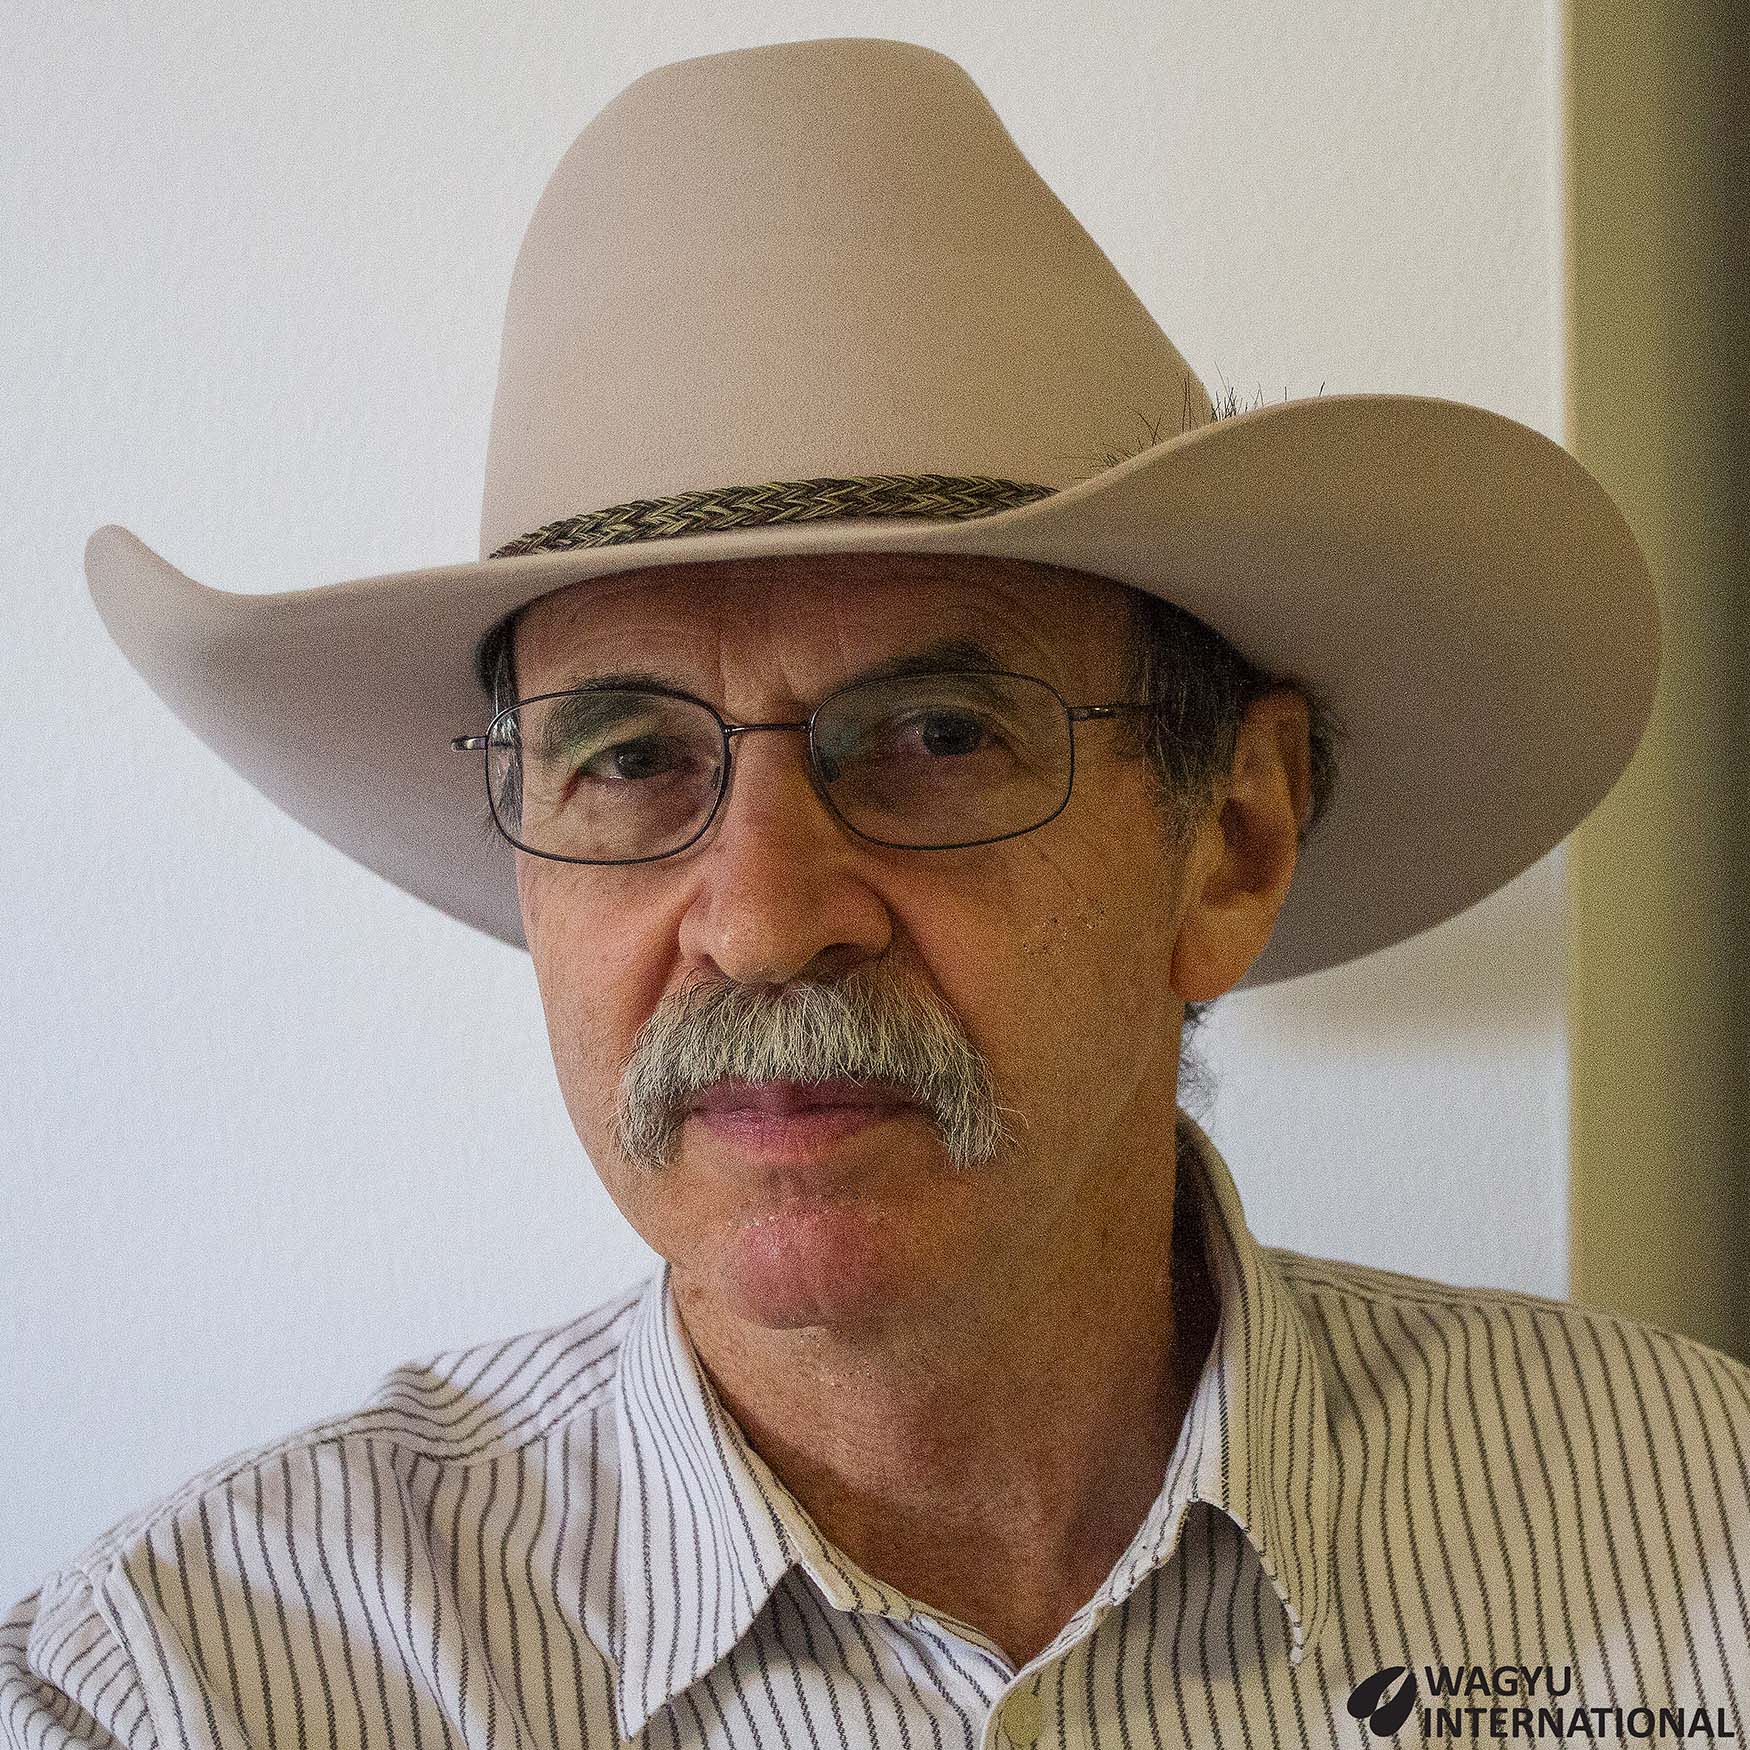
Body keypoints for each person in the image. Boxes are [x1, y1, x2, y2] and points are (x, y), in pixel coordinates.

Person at [5, 36, 1744, 1750]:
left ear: (1229, 843)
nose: (761, 917)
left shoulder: (1705, 1543)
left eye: (931, 732)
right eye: (626, 756)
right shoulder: (172, 1688)